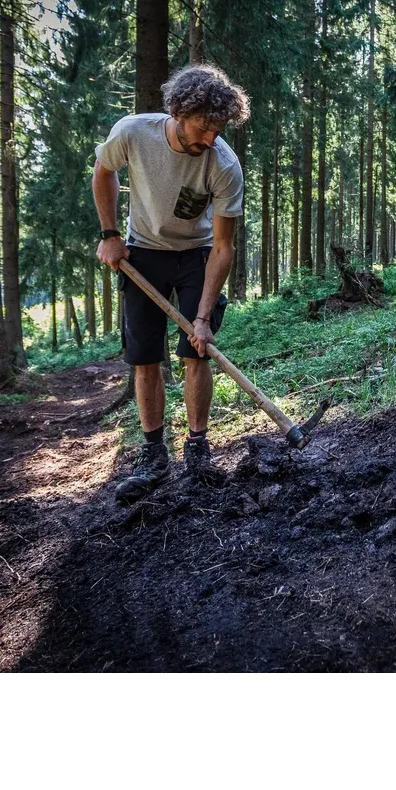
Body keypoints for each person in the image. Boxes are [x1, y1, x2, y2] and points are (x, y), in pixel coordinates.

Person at [93, 64, 249, 501]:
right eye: (203, 127)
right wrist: (109, 236)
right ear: (180, 112)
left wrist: (201, 317)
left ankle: (197, 447)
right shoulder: (133, 133)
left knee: (196, 351)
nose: (209, 139)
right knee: (145, 358)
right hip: (142, 252)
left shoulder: (223, 165)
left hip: (198, 256)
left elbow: (223, 247)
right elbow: (104, 172)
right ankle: (153, 453)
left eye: (217, 129)